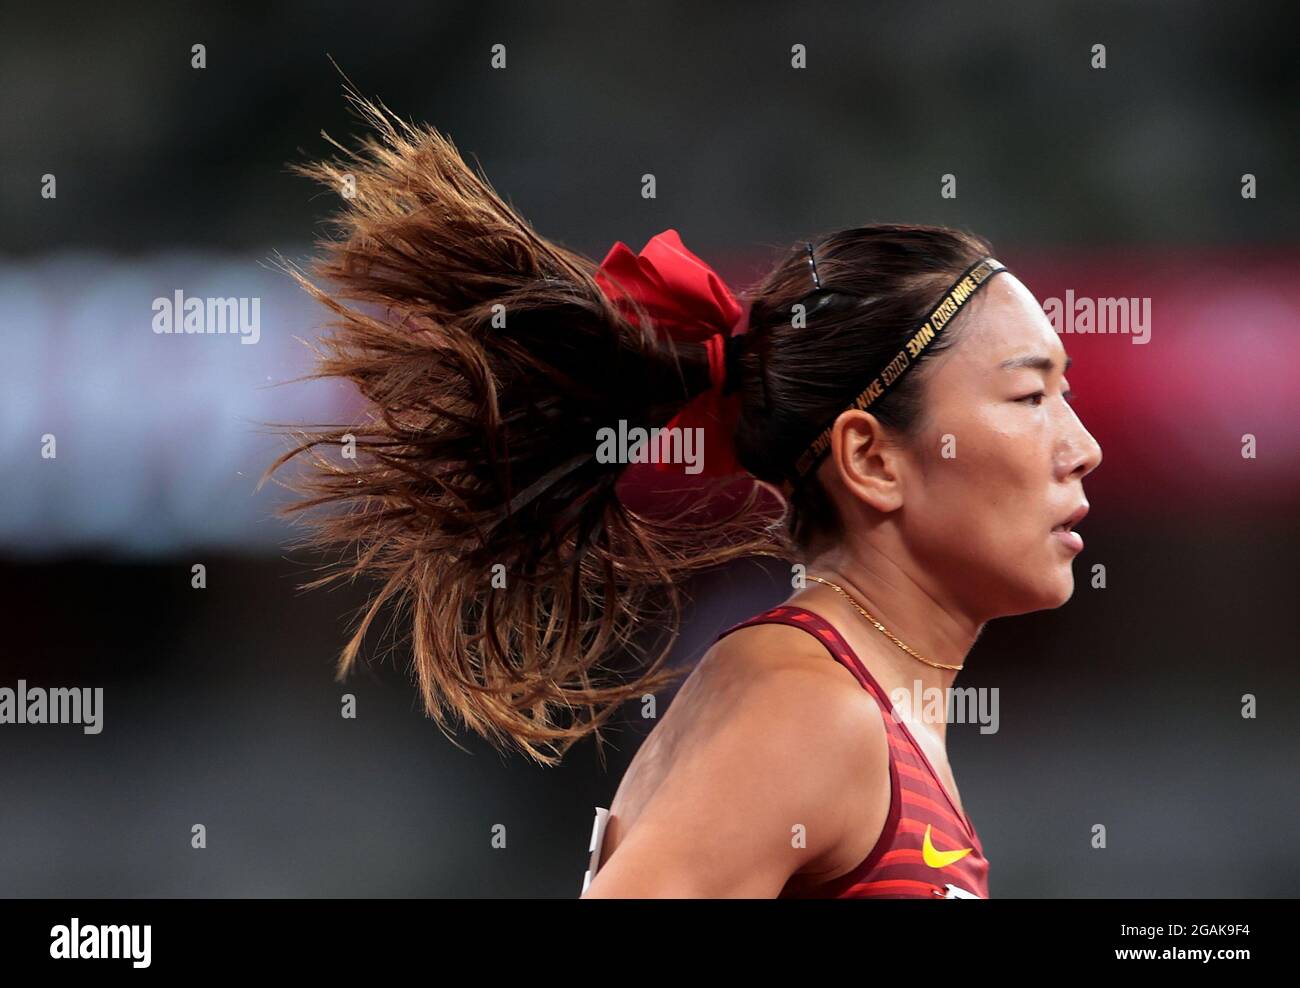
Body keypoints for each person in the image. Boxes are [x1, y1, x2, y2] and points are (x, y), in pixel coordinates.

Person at [267, 93, 1101, 898]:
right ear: (871, 459)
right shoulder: (808, 713)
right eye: (1031, 398)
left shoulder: (860, 708)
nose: (1083, 448)